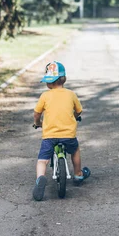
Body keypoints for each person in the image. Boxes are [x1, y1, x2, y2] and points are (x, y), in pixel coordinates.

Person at [32, 61, 90, 201]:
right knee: (75, 150)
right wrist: (75, 117)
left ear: (48, 83)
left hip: (49, 136)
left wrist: (37, 123)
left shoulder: (45, 96)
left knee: (42, 160)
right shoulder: (71, 94)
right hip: (68, 135)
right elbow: (79, 111)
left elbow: (36, 113)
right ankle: (77, 174)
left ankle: (40, 178)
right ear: (64, 79)